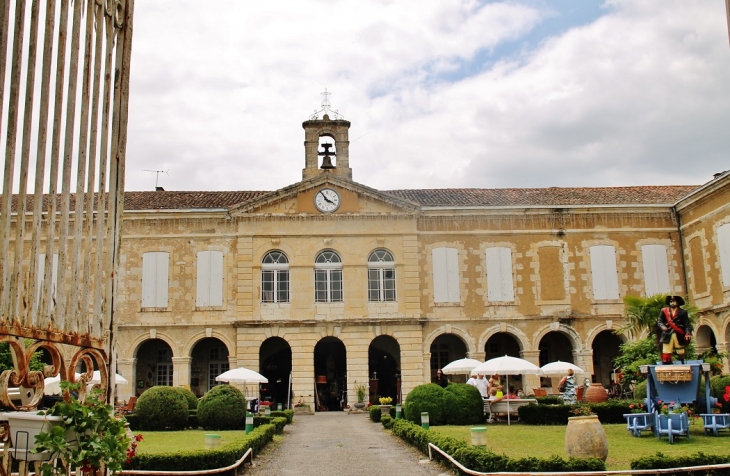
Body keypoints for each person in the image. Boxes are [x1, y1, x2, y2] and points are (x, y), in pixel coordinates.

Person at [658, 295, 693, 364]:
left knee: (680, 350)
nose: (672, 303)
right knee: (666, 351)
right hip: (667, 334)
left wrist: (687, 333)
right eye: (671, 301)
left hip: (679, 333)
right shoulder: (664, 311)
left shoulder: (683, 312)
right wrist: (663, 327)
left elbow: (686, 324)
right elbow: (659, 321)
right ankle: (667, 365)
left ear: (677, 302)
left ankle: (682, 363)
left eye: (673, 301)